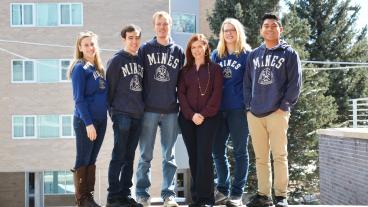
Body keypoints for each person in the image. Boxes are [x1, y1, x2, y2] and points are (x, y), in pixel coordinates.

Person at [244, 13, 302, 207]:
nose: (269, 29)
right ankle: (263, 195)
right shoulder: (254, 55)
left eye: (273, 26)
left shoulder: (289, 53)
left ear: (280, 30)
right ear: (261, 30)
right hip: (255, 113)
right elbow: (247, 83)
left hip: (277, 112)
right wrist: (248, 107)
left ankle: (281, 196)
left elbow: (295, 83)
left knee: (279, 156)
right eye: (266, 26)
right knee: (261, 158)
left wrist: (284, 106)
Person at [135, 11, 185, 207]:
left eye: (165, 24)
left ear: (170, 26)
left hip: (171, 110)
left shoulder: (178, 51)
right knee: (145, 155)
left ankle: (168, 195)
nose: (162, 27)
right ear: (154, 26)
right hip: (149, 110)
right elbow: (137, 79)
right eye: (159, 24)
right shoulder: (145, 49)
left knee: (169, 156)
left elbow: (182, 83)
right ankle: (142, 194)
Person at [178, 34, 223, 207]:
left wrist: (203, 114)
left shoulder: (215, 69)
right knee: (193, 157)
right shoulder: (185, 71)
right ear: (190, 50)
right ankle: (196, 198)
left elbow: (216, 94)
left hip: (209, 118)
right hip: (188, 119)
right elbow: (180, 94)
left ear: (205, 48)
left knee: (204, 156)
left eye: (199, 46)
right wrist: (191, 115)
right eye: (193, 47)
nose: (196, 50)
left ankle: (206, 199)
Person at [211, 18, 251, 207]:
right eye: (225, 30)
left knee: (240, 152)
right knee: (217, 150)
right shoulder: (216, 55)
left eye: (232, 30)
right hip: (218, 110)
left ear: (238, 32)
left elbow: (252, 82)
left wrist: (248, 106)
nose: (228, 33)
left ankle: (236, 194)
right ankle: (222, 190)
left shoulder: (246, 54)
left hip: (238, 109)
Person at [105, 24, 144, 207]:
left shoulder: (141, 60)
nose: (134, 41)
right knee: (119, 155)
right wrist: (113, 112)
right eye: (130, 38)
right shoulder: (116, 61)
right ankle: (113, 196)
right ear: (124, 39)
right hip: (122, 114)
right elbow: (109, 90)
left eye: (137, 38)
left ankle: (125, 195)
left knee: (130, 156)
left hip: (138, 114)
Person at [68, 31, 107, 207]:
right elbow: (79, 100)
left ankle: (88, 197)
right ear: (80, 47)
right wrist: (88, 123)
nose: (90, 47)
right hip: (86, 122)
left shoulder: (98, 69)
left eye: (92, 44)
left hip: (101, 121)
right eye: (86, 44)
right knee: (83, 158)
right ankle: (81, 200)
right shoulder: (79, 68)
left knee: (92, 160)